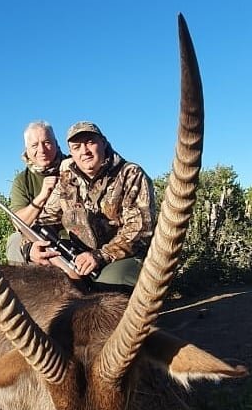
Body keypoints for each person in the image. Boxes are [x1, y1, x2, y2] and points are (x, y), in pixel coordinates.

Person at [24, 121, 155, 289]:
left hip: (124, 257)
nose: (84, 151)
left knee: (109, 286)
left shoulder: (131, 174)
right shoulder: (66, 179)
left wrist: (100, 255)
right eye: (76, 147)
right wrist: (30, 249)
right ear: (70, 152)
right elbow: (44, 222)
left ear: (104, 142)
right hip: (81, 260)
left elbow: (141, 230)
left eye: (90, 142)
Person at [5, 121, 65, 264]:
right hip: (43, 238)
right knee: (14, 242)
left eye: (47, 142)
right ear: (27, 149)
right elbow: (19, 224)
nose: (42, 150)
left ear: (56, 143)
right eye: (34, 145)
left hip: (73, 238)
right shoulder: (22, 180)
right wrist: (42, 196)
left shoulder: (73, 165)